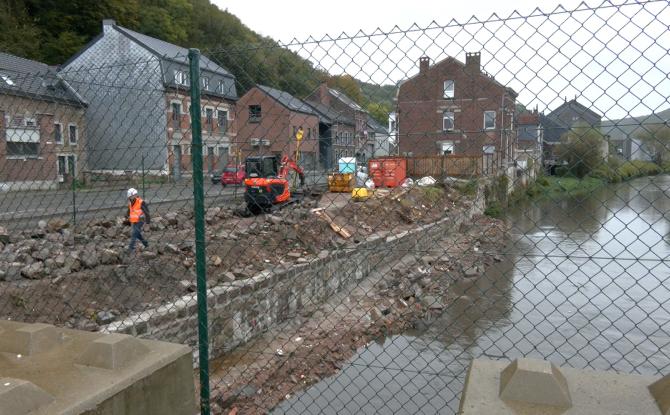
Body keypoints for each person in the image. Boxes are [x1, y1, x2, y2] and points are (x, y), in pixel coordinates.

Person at [125, 188, 150, 253]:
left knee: (134, 234)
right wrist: (127, 216)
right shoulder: (130, 202)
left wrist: (147, 222)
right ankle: (146, 243)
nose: (135, 195)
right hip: (134, 221)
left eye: (135, 194)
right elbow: (129, 210)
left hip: (140, 220)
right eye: (132, 195)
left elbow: (147, 212)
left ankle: (130, 248)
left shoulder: (141, 202)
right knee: (137, 234)